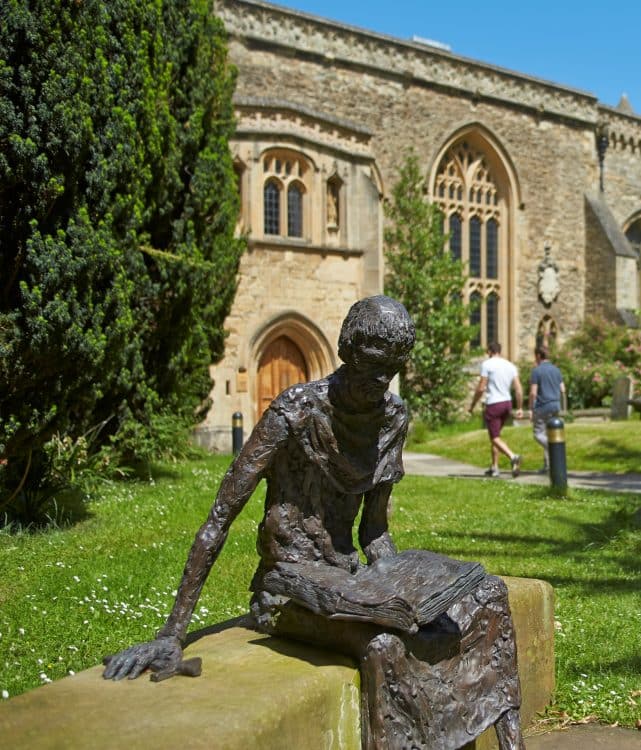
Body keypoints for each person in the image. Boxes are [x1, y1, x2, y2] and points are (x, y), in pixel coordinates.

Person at [103, 296, 524, 750]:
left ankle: (508, 742)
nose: (382, 381)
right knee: (385, 645)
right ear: (348, 349)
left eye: (393, 369)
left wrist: (405, 587)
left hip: (351, 583)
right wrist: (172, 634)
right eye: (374, 366)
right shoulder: (296, 412)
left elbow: (374, 532)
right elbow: (219, 519)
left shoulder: (393, 418)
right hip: (289, 589)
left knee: (488, 597)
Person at [469, 342, 524, 478]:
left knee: (494, 438)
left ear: (489, 351)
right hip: (507, 403)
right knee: (496, 436)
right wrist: (520, 407)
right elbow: (518, 389)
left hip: (494, 404)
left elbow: (481, 388)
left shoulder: (487, 364)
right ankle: (494, 467)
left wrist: (472, 405)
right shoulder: (510, 365)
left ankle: (513, 456)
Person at [529, 345, 565, 473]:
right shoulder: (556, 370)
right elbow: (563, 389)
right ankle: (548, 466)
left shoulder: (536, 371)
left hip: (542, 406)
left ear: (538, 356)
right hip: (555, 405)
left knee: (539, 434)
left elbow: (533, 393)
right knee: (550, 433)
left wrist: (531, 409)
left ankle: (554, 447)